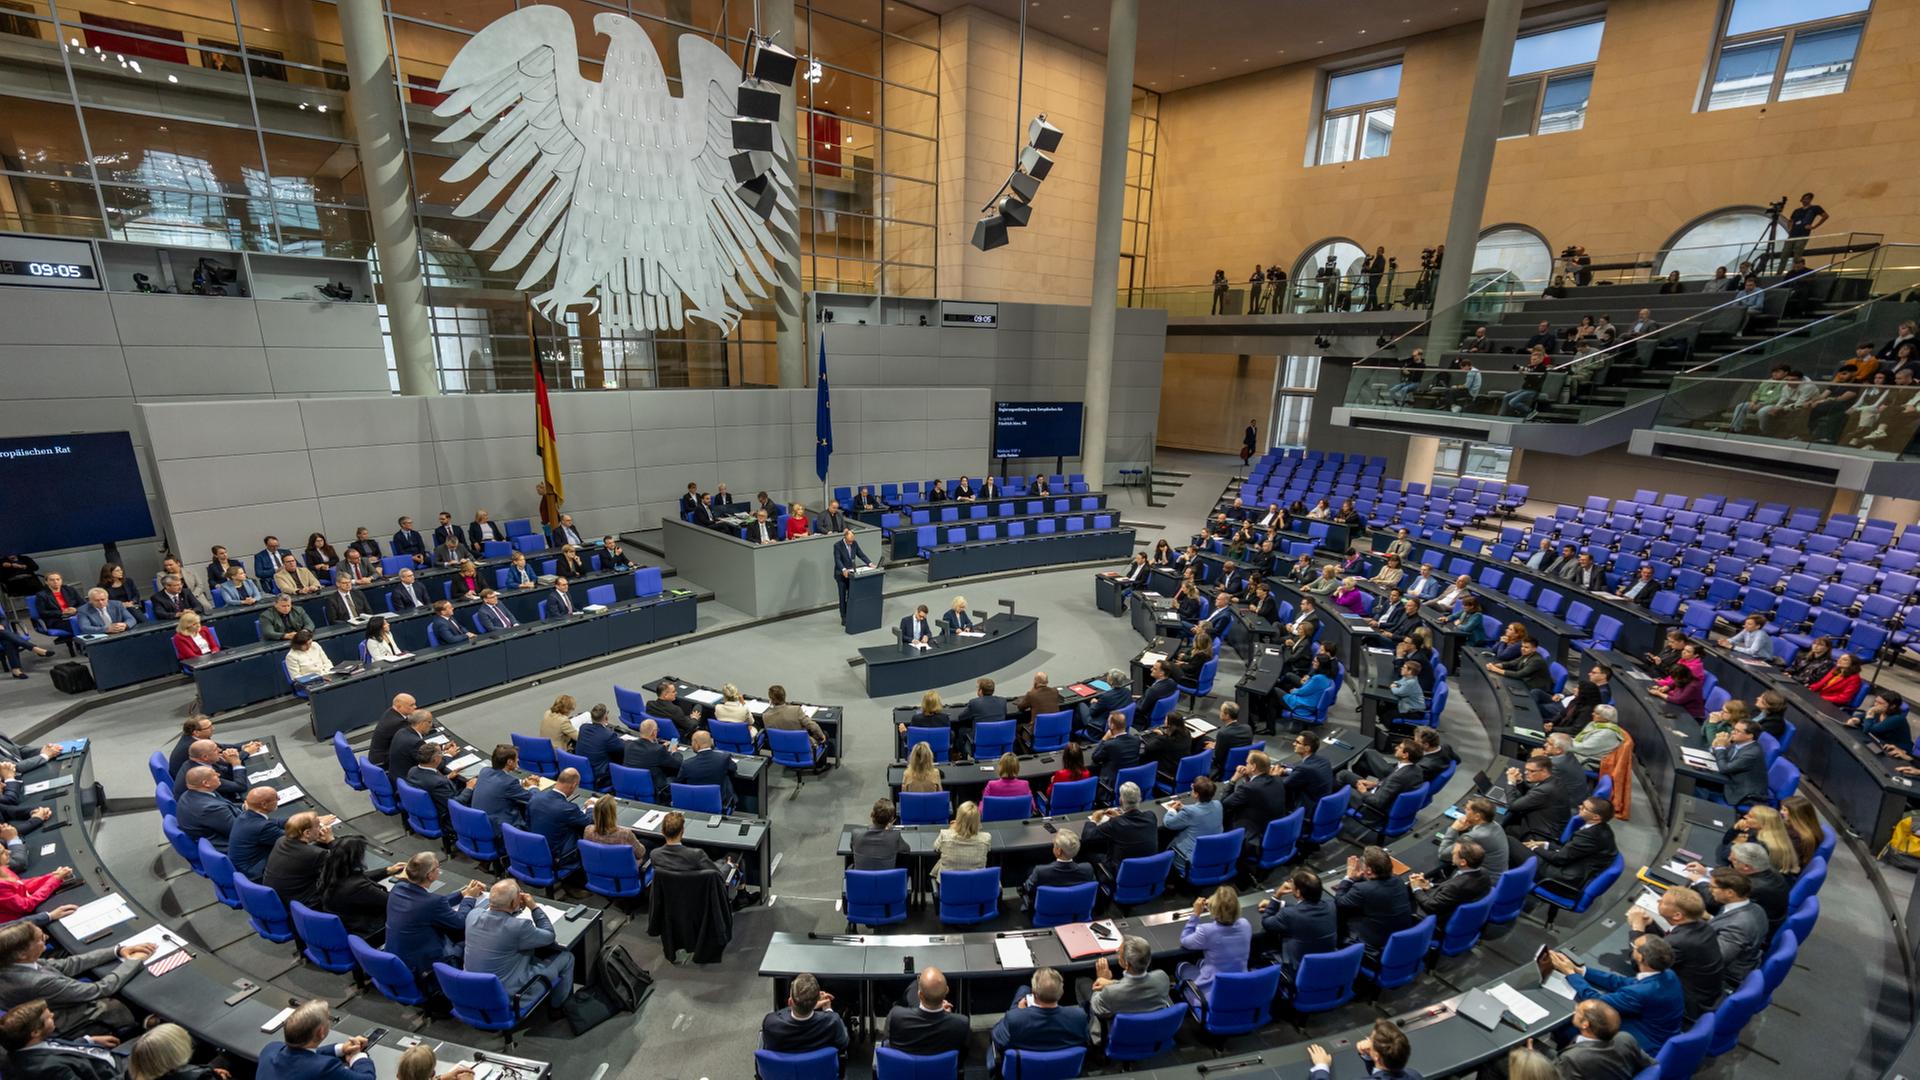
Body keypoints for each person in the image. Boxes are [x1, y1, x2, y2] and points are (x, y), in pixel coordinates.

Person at [0, 921, 150, 1037]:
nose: (46, 937)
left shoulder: (14, 962)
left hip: (57, 1004)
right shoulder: (37, 982)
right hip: (64, 1022)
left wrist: (117, 951)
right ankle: (146, 1023)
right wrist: (133, 961)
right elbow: (99, 989)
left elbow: (69, 964)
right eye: (39, 939)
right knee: (126, 999)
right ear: (22, 954)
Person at [1549, 936, 1684, 1054]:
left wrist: (1570, 974)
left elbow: (1596, 1002)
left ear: (1641, 957)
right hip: (1661, 1030)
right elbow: (1621, 982)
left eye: (1634, 947)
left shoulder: (1640, 993)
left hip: (1647, 1041)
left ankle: (1567, 1059)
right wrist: (1581, 971)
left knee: (1569, 1027)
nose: (1631, 948)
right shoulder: (1668, 974)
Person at [465, 879, 574, 1006]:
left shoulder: (473, 915)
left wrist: (513, 909)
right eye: (519, 893)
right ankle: (559, 1007)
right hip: (509, 995)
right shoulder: (518, 927)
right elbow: (549, 936)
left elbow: (496, 916)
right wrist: (534, 907)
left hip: (473, 990)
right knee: (567, 957)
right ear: (513, 902)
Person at [1628, 885, 1724, 1021]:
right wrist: (1650, 925)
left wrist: (1637, 928)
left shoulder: (1680, 941)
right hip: (1708, 995)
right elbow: (1664, 945)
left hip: (1688, 1004)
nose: (1658, 901)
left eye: (1663, 901)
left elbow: (1639, 963)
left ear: (1677, 915)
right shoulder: (1703, 927)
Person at [990, 967, 1088, 1073]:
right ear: (1061, 992)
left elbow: (996, 1036)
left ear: (1034, 993)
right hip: (1062, 1071)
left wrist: (1017, 1011)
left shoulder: (1015, 1020)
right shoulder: (1079, 1017)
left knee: (1023, 990)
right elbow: (1084, 1040)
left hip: (1023, 1073)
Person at [0, 998, 123, 1080]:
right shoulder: (49, 1070)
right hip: (116, 1072)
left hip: (101, 1057)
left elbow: (57, 1050)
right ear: (35, 1032)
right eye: (48, 1017)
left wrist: (88, 1041)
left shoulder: (24, 1046)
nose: (52, 1015)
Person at [1332, 846, 1416, 960]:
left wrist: (1349, 878)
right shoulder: (1398, 880)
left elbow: (1340, 901)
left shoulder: (1362, 889)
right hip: (1399, 936)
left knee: (1340, 918)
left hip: (1376, 942)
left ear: (1369, 870)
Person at [1525, 796, 1619, 895]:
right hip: (1572, 866)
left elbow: (1559, 859)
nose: (1579, 807)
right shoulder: (1600, 828)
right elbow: (1571, 849)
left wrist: (1534, 848)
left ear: (1596, 817)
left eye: (1584, 808)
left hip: (1562, 879)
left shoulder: (1591, 835)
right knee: (1521, 846)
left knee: (1513, 844)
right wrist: (1545, 844)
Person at [316, 835, 403, 939]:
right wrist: (408, 880)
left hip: (348, 921)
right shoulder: (358, 887)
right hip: (369, 929)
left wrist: (387, 871)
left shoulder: (330, 873)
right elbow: (393, 901)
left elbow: (357, 877)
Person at [885, 967, 971, 1063]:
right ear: (946, 990)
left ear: (920, 995)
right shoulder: (960, 1024)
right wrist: (948, 1016)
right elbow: (961, 1057)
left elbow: (888, 1043)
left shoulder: (896, 1016)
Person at [1340, 739, 1425, 828]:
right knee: (1344, 774)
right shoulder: (1416, 769)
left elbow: (1377, 802)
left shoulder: (1398, 777)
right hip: (1379, 792)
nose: (1396, 748)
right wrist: (1376, 784)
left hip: (1371, 809)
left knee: (1341, 787)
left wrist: (1364, 792)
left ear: (1405, 755)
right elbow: (1393, 787)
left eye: (1399, 747)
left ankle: (1333, 813)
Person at [1408, 840, 1492, 930]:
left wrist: (1416, 888)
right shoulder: (1483, 872)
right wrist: (1429, 885)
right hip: (1457, 908)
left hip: (1442, 920)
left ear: (1463, 862)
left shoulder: (1457, 885)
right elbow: (1449, 887)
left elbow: (1430, 906)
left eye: (1454, 853)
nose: (1451, 852)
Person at [527, 768, 592, 881]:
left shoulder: (536, 798)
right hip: (557, 857)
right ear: (573, 785)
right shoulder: (568, 809)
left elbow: (534, 792)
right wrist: (591, 807)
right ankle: (575, 883)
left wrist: (533, 786)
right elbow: (588, 822)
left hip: (534, 850)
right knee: (582, 833)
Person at [1502, 756, 1571, 861]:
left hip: (1539, 834)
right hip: (1546, 825)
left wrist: (1511, 782)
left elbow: (1513, 806)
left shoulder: (1545, 790)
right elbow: (1532, 792)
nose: (1526, 773)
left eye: (1531, 771)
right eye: (1526, 770)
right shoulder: (1553, 781)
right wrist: (1520, 781)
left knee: (1501, 829)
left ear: (1543, 771)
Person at [262, 812, 333, 907]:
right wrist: (331, 841)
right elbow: (343, 862)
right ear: (307, 833)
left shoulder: (281, 841)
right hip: (302, 901)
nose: (321, 829)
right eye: (318, 826)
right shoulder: (314, 854)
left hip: (279, 899)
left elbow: (306, 853)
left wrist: (321, 843)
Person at [1306, 1020, 1418, 1080]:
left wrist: (1321, 1067)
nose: (1367, 1041)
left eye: (1370, 1039)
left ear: (1377, 1056)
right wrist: (1369, 1056)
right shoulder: (1414, 1075)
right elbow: (1383, 1076)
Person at [1018, 828, 1095, 912]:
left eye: (1054, 844)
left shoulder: (1040, 871)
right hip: (1076, 913)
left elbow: (1028, 888)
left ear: (1058, 851)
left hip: (1048, 914)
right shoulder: (1088, 869)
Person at [1162, 776, 1224, 875]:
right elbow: (1200, 811)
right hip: (1212, 853)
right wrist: (1183, 807)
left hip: (1189, 859)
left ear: (1196, 794)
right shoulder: (1218, 804)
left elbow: (1168, 823)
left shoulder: (1190, 812)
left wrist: (1171, 810)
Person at [228, 786, 287, 880]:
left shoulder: (246, 815)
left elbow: (274, 822)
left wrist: (298, 820)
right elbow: (293, 838)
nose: (279, 799)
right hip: (256, 873)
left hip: (245, 866)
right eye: (276, 798)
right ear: (264, 804)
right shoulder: (262, 827)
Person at [1710, 718, 1771, 808]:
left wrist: (1720, 747)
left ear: (1749, 735)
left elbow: (1724, 768)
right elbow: (1724, 758)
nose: (1732, 732)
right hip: (1730, 780)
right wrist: (1716, 746)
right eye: (1734, 729)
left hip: (1744, 794)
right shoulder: (1739, 743)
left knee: (1700, 787)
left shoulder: (1752, 753)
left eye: (1737, 731)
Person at [931, 801, 989, 888]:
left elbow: (936, 847)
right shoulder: (986, 838)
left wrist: (952, 828)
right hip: (975, 887)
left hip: (948, 887)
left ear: (958, 818)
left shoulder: (945, 835)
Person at [678, 730, 738, 808]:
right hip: (719, 801)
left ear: (696, 744)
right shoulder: (724, 758)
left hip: (694, 802)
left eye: (692, 742)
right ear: (711, 742)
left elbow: (678, 783)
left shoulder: (687, 764)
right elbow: (734, 768)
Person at [573, 705, 625, 790]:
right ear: (606, 717)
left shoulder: (583, 728)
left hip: (583, 770)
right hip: (600, 777)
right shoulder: (608, 735)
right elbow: (622, 748)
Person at [851, 799, 910, 871]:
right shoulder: (895, 835)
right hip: (886, 881)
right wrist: (889, 830)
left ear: (872, 814)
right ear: (891, 819)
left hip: (860, 881)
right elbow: (906, 849)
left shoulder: (856, 834)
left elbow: (852, 849)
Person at [72, 588, 139, 636]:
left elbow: (131, 619)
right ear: (90, 601)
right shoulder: (83, 610)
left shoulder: (117, 604)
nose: (101, 602)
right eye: (97, 600)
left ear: (107, 598)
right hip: (101, 637)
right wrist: (106, 629)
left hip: (121, 634)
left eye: (103, 599)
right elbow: (85, 627)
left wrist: (125, 625)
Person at [1784, 191, 1827, 261]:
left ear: (1810, 200)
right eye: (1804, 199)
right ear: (1801, 200)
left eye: (1808, 199)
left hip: (1803, 234)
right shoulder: (1797, 210)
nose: (1806, 200)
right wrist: (1790, 229)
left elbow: (1825, 216)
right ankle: (1781, 271)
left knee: (1797, 251)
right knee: (1785, 254)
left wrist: (1814, 226)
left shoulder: (1815, 208)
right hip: (1793, 235)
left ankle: (1796, 269)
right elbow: (1791, 220)